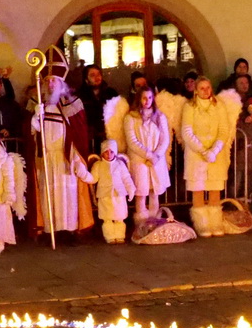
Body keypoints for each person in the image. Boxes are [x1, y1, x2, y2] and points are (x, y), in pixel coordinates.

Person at [29, 65, 95, 241]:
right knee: (47, 194)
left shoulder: (71, 104)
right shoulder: (37, 103)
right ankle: (50, 230)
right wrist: (36, 117)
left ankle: (71, 230)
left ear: (61, 82)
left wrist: (74, 155)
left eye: (54, 80)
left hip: (65, 156)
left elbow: (78, 131)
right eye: (47, 80)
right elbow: (31, 133)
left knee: (68, 195)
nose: (50, 84)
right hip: (46, 156)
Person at [178, 74, 241, 236]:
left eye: (208, 87)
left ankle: (214, 222)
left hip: (216, 154)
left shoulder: (219, 106)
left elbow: (224, 130)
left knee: (214, 189)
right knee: (198, 190)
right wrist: (203, 150)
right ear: (196, 91)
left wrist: (214, 150)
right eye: (202, 88)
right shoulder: (189, 107)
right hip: (196, 154)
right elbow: (187, 131)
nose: (206, 91)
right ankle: (202, 224)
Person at [122, 85, 173, 226]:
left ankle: (154, 222)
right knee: (141, 192)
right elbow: (132, 141)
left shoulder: (159, 116)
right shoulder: (131, 117)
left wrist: (156, 155)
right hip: (140, 160)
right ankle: (142, 223)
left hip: (156, 160)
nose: (147, 101)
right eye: (144, 98)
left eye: (150, 97)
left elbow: (165, 138)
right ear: (139, 98)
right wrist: (148, 155)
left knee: (154, 191)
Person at [77, 138, 135, 244]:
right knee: (107, 218)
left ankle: (120, 235)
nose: (109, 154)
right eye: (106, 152)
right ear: (102, 153)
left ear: (115, 152)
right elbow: (93, 179)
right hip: (105, 196)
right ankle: (110, 237)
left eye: (111, 152)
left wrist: (131, 189)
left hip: (119, 195)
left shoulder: (120, 164)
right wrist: (83, 174)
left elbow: (126, 178)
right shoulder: (98, 166)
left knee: (120, 217)